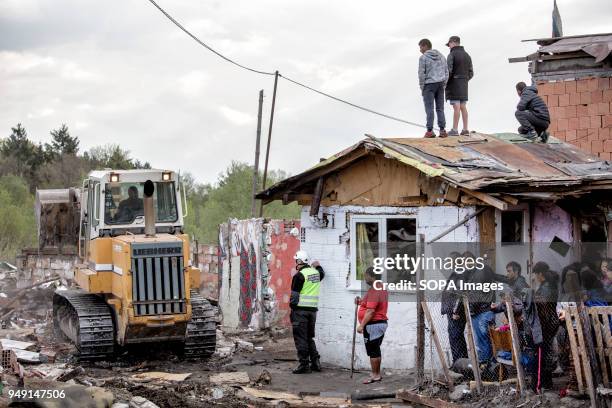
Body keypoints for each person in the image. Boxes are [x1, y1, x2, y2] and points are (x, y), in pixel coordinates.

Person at [290, 250, 325, 374]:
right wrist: (317, 265)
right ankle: (316, 362)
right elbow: (322, 273)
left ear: (299, 262)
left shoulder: (299, 276)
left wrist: (292, 309)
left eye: (296, 261)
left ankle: (304, 364)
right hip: (312, 312)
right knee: (309, 337)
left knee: (300, 338)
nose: (296, 263)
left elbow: (294, 297)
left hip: (300, 312)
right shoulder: (315, 273)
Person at [528, 261, 560, 391]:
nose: (534, 277)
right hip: (549, 323)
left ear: (540, 273)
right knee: (545, 353)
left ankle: (541, 384)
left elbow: (542, 308)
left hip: (545, 325)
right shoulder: (549, 285)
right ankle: (547, 383)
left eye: (535, 274)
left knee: (542, 354)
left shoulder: (546, 288)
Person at [355, 267, 388, 384]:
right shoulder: (379, 288)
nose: (365, 278)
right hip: (378, 324)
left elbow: (370, 311)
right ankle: (376, 374)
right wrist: (360, 302)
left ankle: (375, 375)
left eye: (366, 276)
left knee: (373, 350)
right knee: (375, 350)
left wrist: (361, 325)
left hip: (373, 325)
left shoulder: (375, 290)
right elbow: (369, 305)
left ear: (372, 276)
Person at [440, 251, 468, 363]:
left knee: (456, 338)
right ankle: (461, 365)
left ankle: (459, 365)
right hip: (452, 311)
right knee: (456, 338)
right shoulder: (456, 273)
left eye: (450, 260)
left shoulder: (460, 274)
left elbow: (460, 294)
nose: (449, 262)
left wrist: (455, 311)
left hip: (455, 313)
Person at [418, 38, 449, 138]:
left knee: (429, 108)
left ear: (425, 46)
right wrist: (444, 83)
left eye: (421, 47)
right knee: (440, 108)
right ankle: (442, 130)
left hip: (429, 85)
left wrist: (422, 87)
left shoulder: (423, 58)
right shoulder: (441, 56)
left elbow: (421, 74)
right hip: (440, 84)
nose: (420, 50)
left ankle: (430, 131)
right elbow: (446, 71)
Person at [445, 36, 473, 136]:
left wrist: (446, 83)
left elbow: (448, 71)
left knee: (456, 106)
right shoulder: (467, 55)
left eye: (449, 44)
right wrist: (464, 80)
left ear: (453, 42)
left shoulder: (451, 55)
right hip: (464, 84)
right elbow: (471, 73)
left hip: (454, 84)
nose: (449, 47)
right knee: (463, 106)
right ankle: (465, 129)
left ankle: (454, 129)